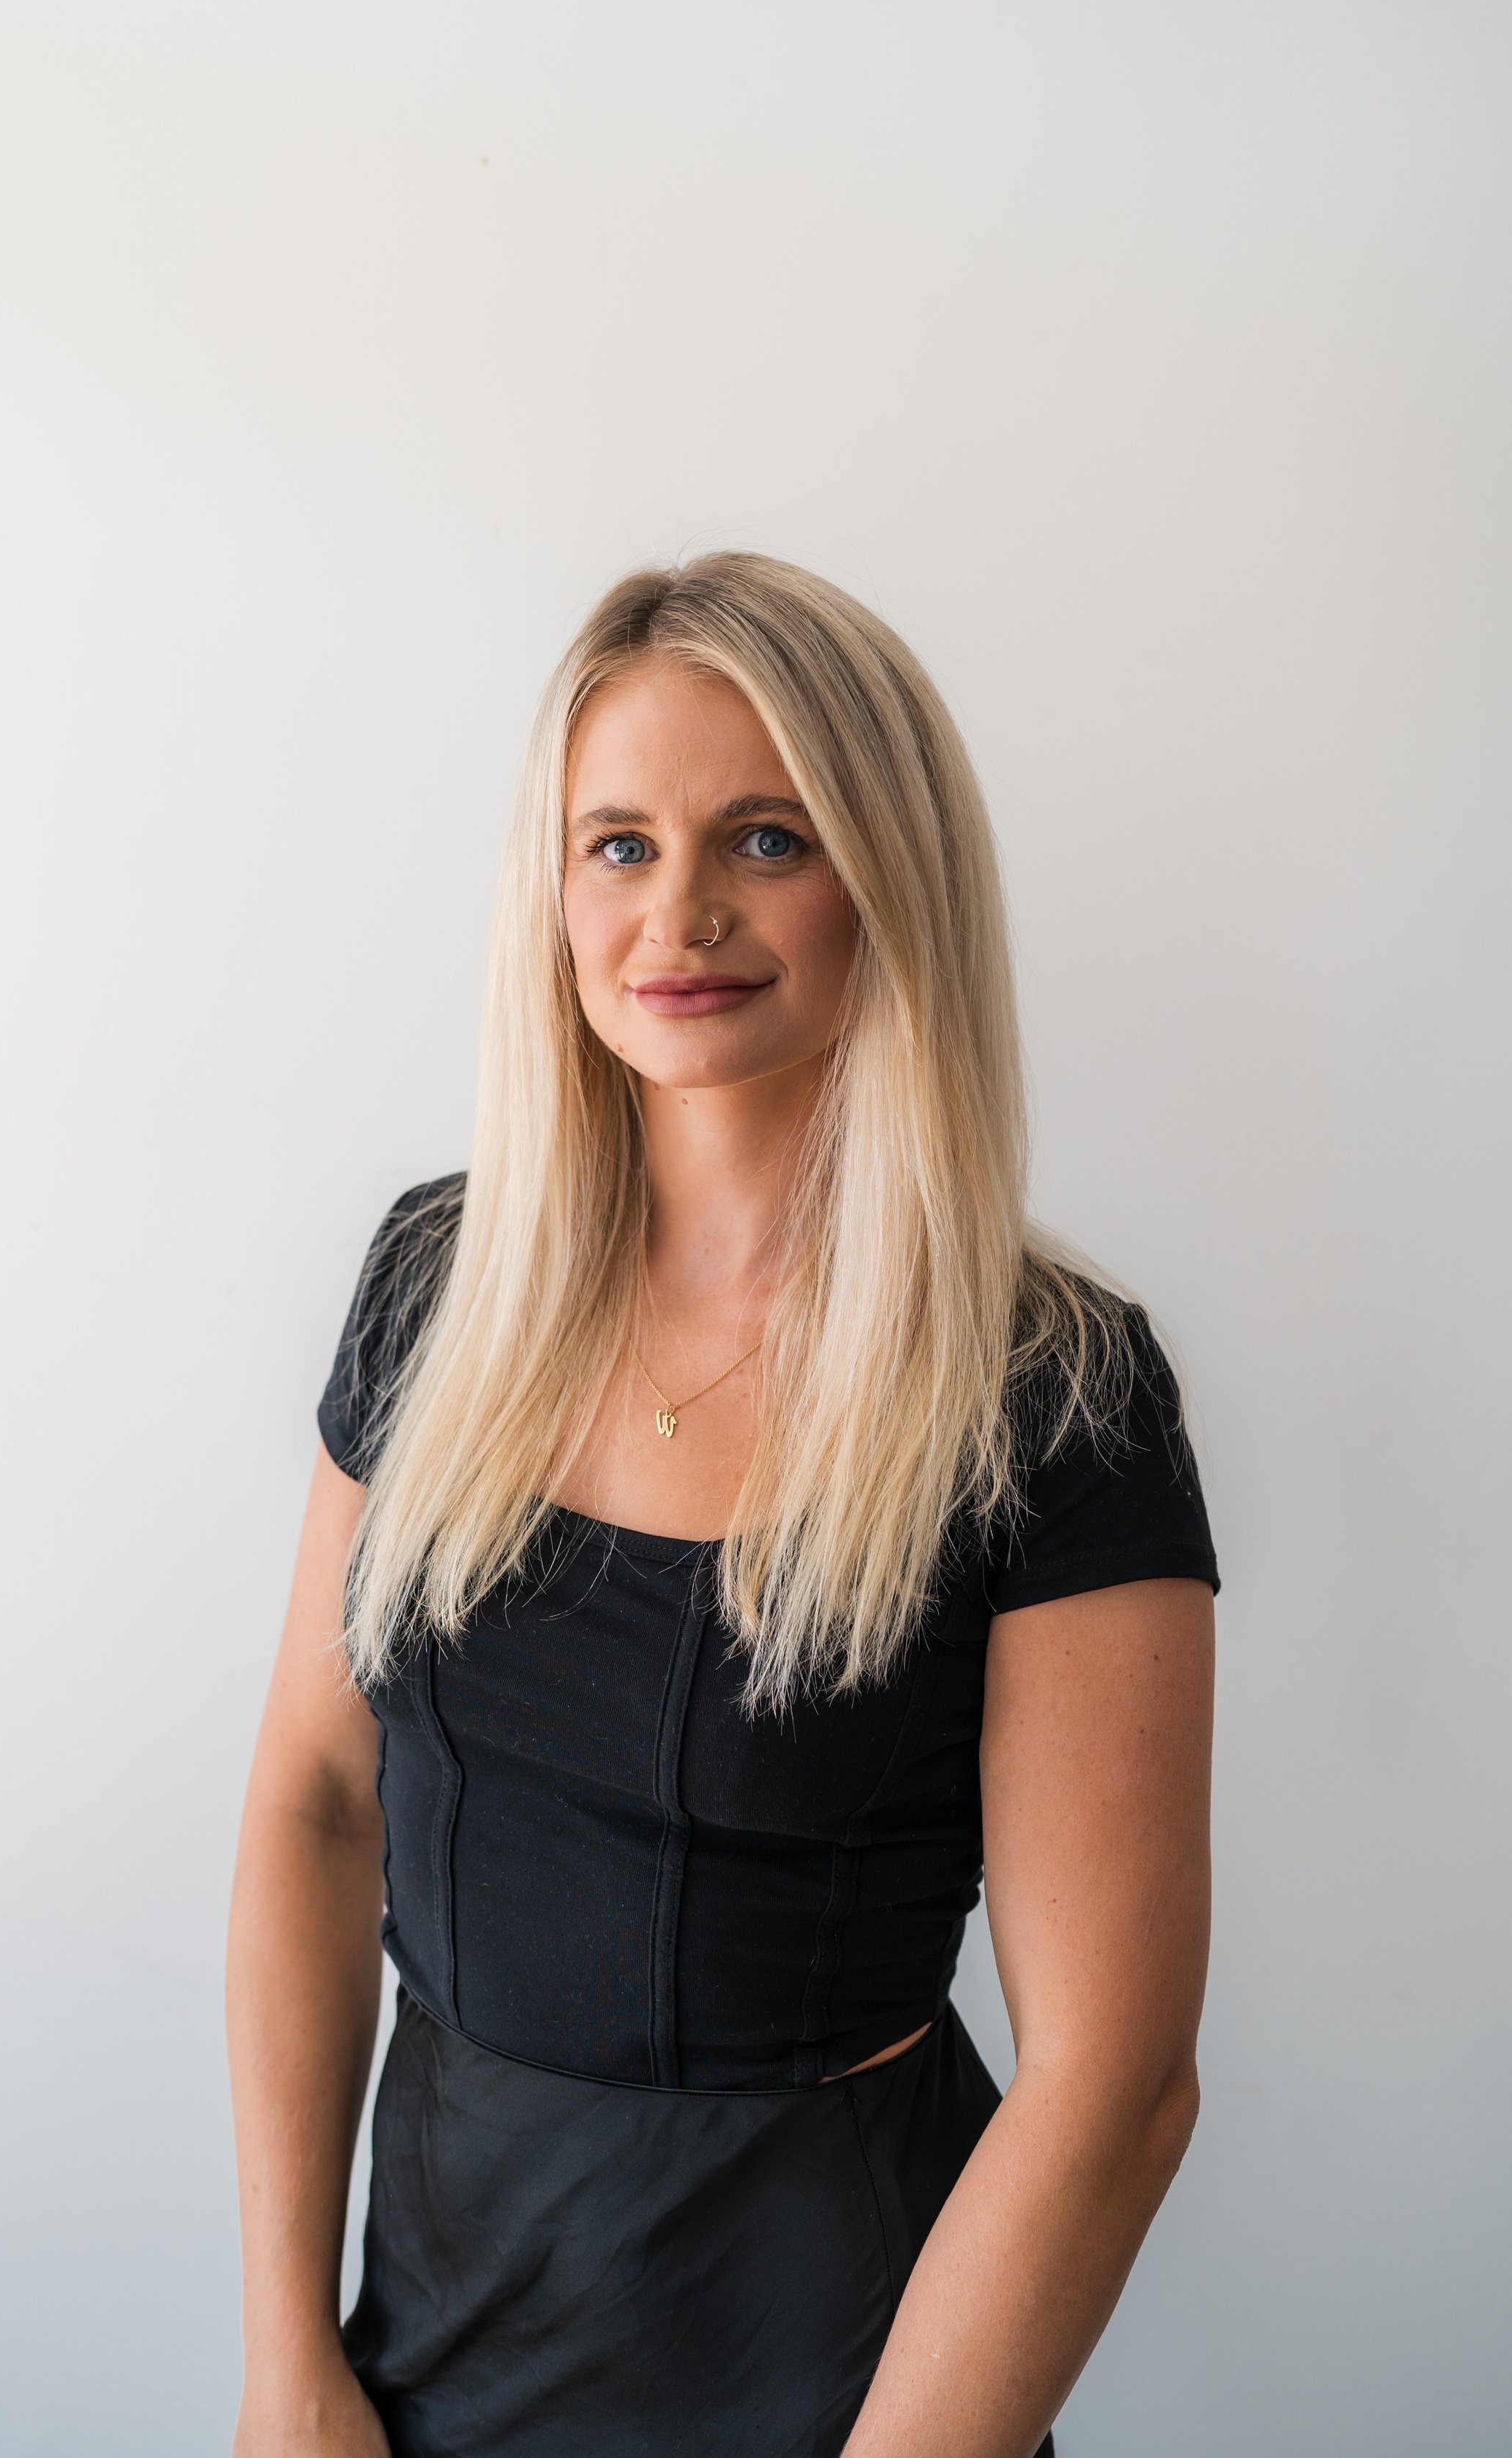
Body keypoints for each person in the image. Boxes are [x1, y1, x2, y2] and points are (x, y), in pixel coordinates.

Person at [225, 553, 1218, 2458]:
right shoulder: (437, 1285)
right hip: (430, 2316)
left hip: (843, 2365)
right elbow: (311, 1799)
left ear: (884, 875)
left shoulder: (1053, 1397)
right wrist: (289, 2361)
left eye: (764, 838)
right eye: (617, 845)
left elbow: (1117, 2082)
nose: (676, 912)